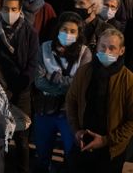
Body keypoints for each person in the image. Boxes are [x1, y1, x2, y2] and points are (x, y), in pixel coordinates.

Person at [0, 0, 39, 173]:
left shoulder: (29, 32)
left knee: (22, 138)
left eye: (13, 9)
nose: (9, 12)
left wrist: (22, 84)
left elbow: (32, 62)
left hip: (22, 91)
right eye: (6, 8)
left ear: (20, 9)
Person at [66, 29, 133, 173]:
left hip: (111, 151)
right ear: (97, 47)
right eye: (103, 46)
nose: (106, 51)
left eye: (112, 48)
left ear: (121, 51)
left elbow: (131, 121)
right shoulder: (84, 72)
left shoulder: (129, 80)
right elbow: (71, 101)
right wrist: (76, 130)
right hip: (82, 144)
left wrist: (105, 140)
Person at [33, 12, 92, 172]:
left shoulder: (85, 53)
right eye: (64, 29)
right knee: (42, 155)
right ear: (58, 29)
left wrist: (54, 77)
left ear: (79, 33)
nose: (68, 34)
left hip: (70, 113)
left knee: (71, 155)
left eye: (73, 31)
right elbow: (39, 81)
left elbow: (80, 85)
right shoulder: (45, 47)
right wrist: (67, 87)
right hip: (45, 109)